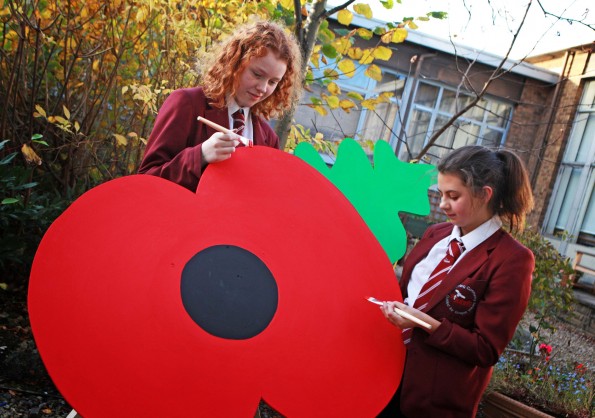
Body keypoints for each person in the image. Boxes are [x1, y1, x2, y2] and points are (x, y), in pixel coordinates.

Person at [378, 145, 535, 418]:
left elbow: (485, 349)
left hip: (433, 401)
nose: (442, 205)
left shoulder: (512, 260)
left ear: (485, 195)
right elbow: (409, 293)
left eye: (453, 196)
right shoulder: (436, 234)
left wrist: (423, 323)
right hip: (382, 378)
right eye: (440, 194)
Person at [138, 19, 303, 191]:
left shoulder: (268, 138)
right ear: (235, 63)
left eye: (273, 82)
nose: (262, 88)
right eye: (257, 74)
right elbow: (146, 179)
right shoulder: (187, 103)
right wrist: (200, 155)